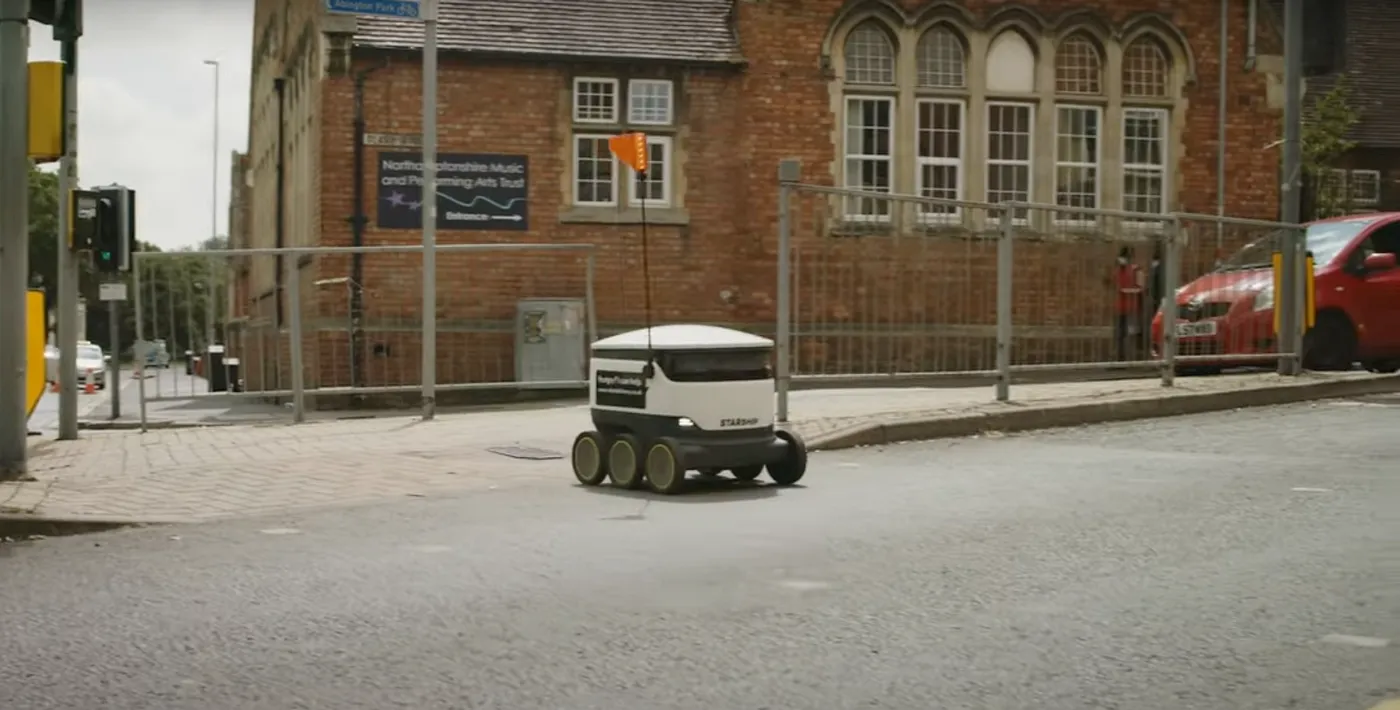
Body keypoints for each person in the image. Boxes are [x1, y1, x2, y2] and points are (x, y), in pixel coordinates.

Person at [1114, 246, 1145, 361]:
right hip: (1120, 308)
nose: (1121, 260)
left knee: (1132, 333)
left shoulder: (1137, 270)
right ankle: (1120, 358)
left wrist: (1125, 291)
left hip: (1132, 308)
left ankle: (1134, 358)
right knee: (1120, 335)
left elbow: (1141, 288)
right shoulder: (1118, 270)